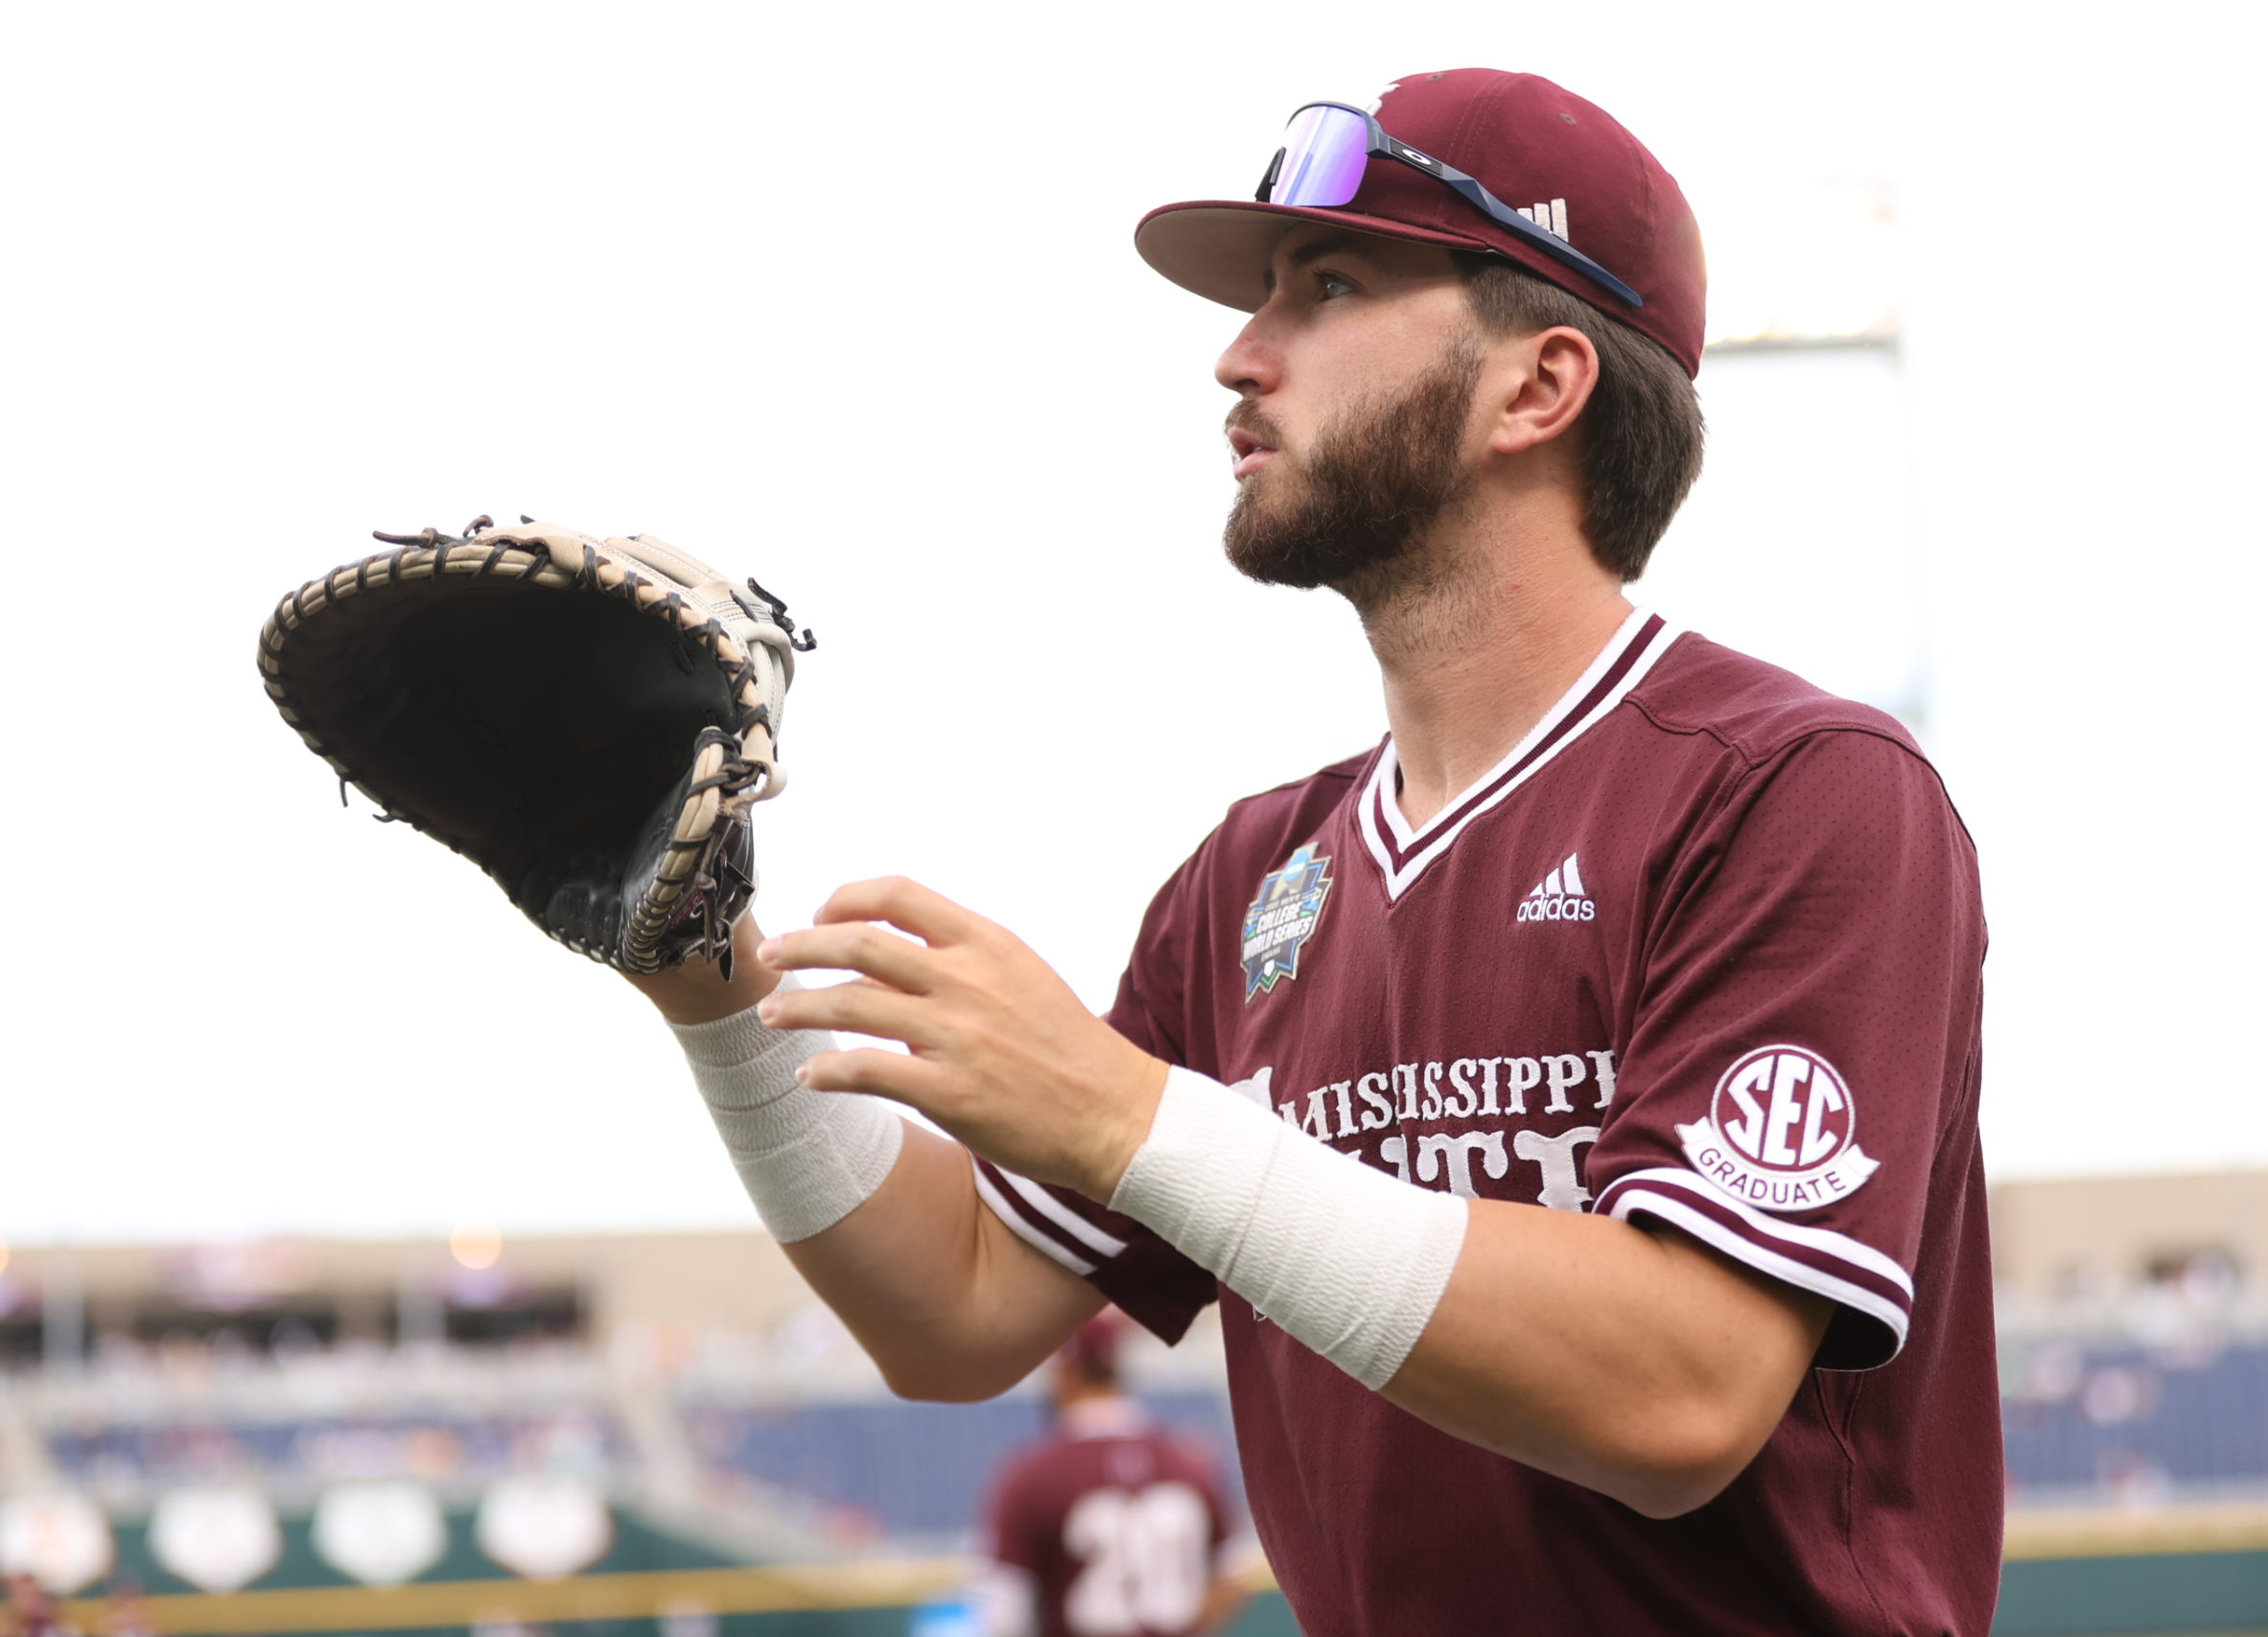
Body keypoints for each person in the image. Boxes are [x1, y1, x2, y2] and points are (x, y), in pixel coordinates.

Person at [636, 68, 1998, 1635]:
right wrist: (715, 996)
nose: (1237, 355)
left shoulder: (1799, 789)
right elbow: (954, 1316)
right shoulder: (1249, 876)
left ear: (1538, 387)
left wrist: (1131, 1114)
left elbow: (1680, 1392)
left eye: (1328, 287)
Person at [966, 1312, 1244, 1637]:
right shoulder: (1190, 1463)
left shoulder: (1030, 1475)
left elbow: (1003, 1611)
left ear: (1066, 1372)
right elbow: (1231, 1579)